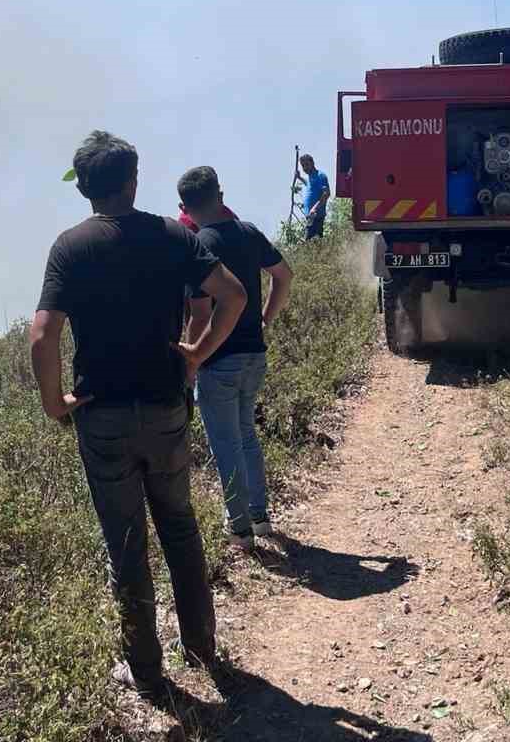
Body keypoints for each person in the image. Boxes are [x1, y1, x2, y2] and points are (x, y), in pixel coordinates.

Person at [30, 131, 247, 700]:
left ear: (82, 188)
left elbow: (42, 335)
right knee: (179, 526)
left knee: (125, 543)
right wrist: (197, 354)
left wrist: (56, 405)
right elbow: (234, 295)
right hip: (166, 405)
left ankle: (146, 672)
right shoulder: (173, 236)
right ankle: (201, 646)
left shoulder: (69, 248)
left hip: (101, 415)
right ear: (133, 180)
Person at [177, 165, 294, 549]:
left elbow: (199, 314)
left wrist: (191, 361)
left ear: (185, 207)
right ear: (220, 195)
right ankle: (260, 518)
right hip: (253, 355)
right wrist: (265, 318)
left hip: (218, 360)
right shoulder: (248, 232)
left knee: (224, 443)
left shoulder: (197, 247)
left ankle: (240, 529)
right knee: (245, 435)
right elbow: (284, 275)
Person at [295, 153, 331, 239]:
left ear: (312, 163)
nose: (305, 168)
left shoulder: (320, 176)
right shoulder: (310, 178)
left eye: (307, 165)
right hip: (310, 217)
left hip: (317, 216)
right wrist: (299, 177)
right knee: (313, 242)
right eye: (303, 166)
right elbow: (308, 184)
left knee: (311, 241)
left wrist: (314, 208)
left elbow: (326, 194)